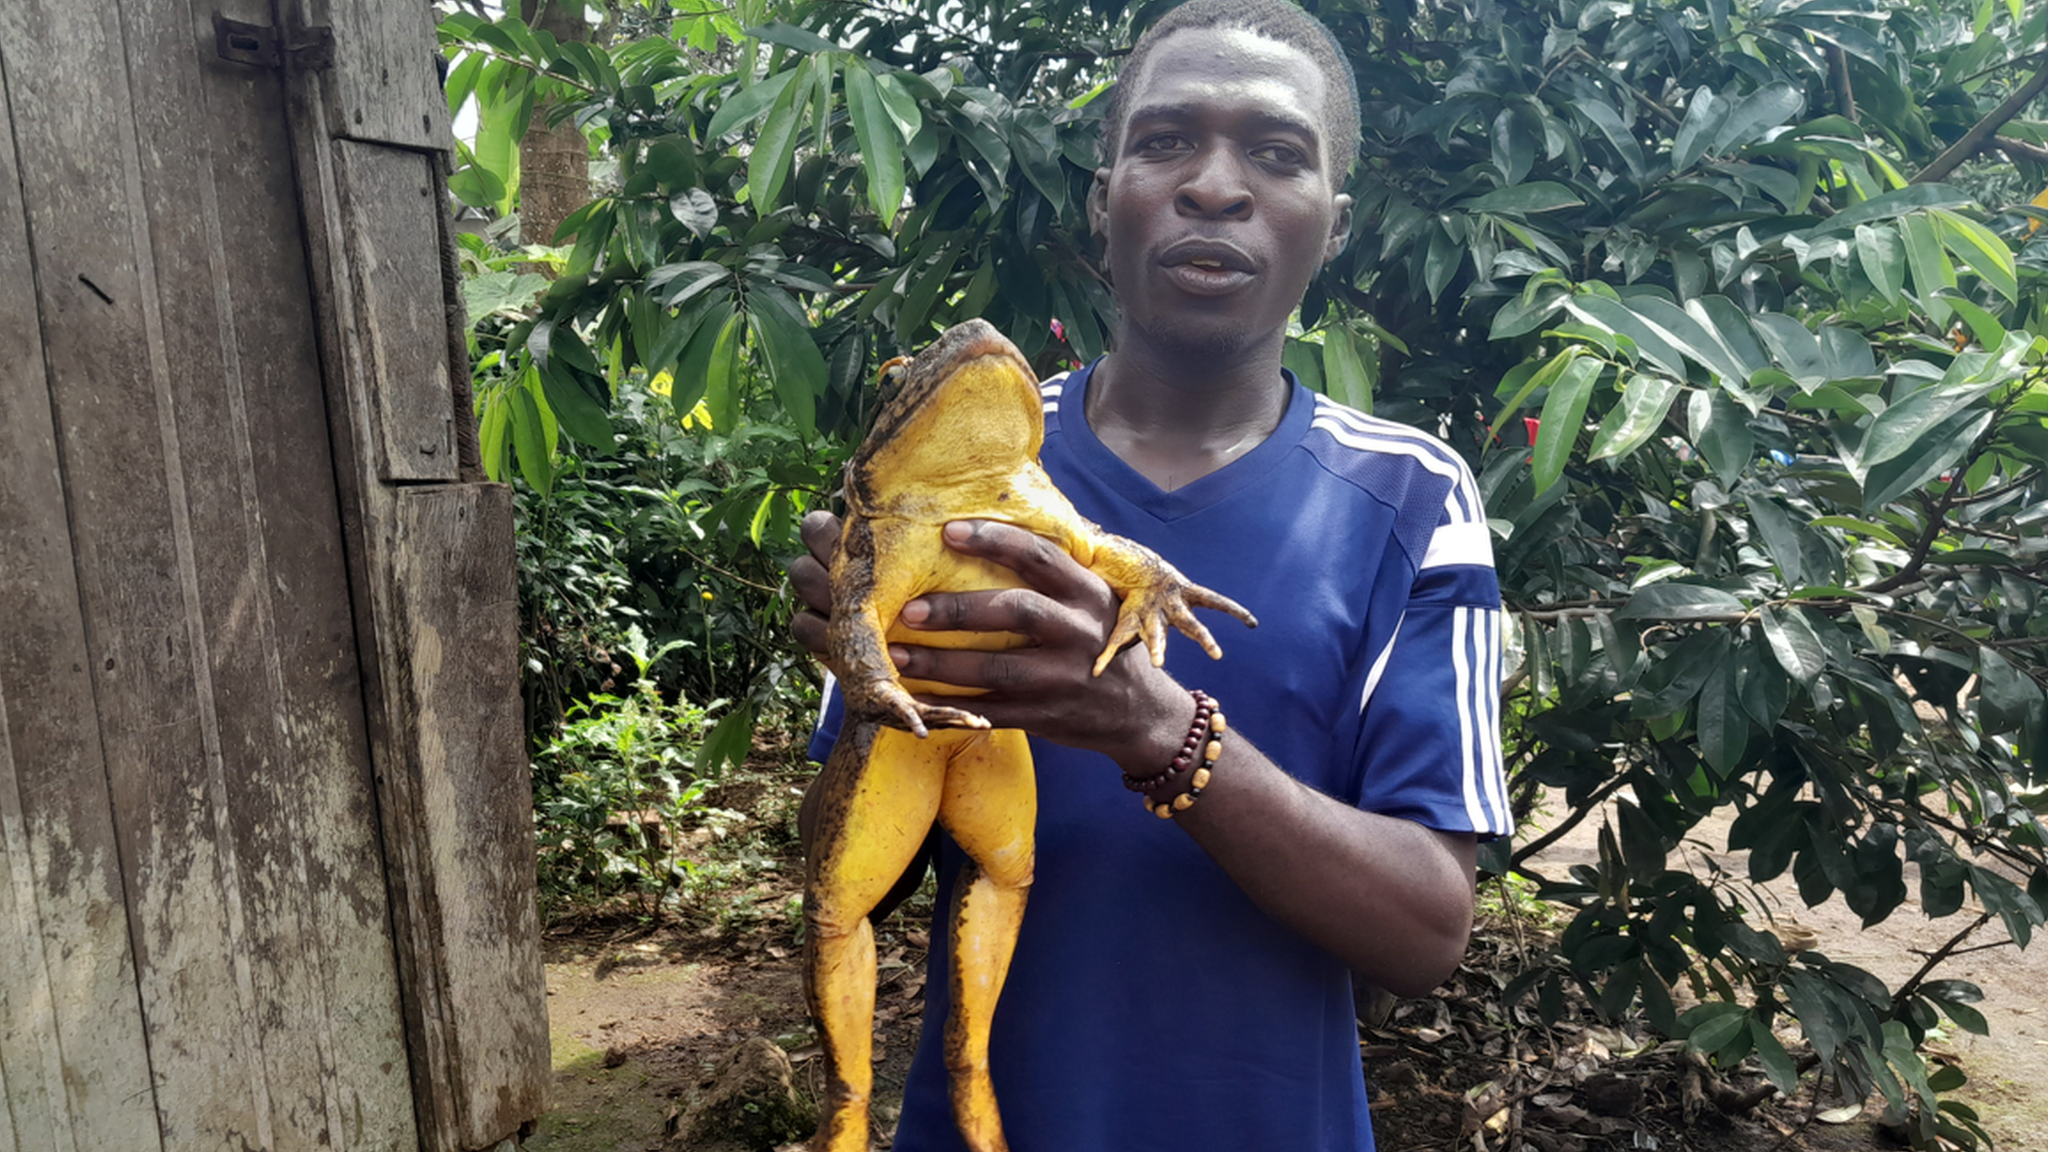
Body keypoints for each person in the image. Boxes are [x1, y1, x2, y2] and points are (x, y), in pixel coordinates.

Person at [788, 2, 1510, 1148]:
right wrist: (864, 652)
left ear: (1334, 224)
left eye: (1275, 154)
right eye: (1165, 141)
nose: (1213, 185)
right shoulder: (947, 461)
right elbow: (858, 867)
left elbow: (1425, 932)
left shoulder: (1413, 497)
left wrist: (1155, 729)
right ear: (1102, 194)